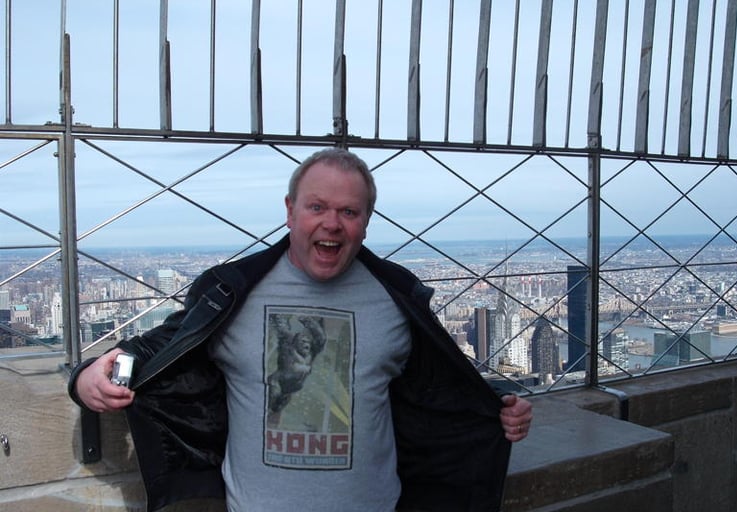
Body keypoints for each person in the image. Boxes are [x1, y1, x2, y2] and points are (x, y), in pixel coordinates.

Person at [69, 148, 533, 512]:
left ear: (366, 223)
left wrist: (498, 405)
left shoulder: (396, 298)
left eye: (349, 212)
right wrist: (86, 377)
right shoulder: (231, 292)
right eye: (317, 207)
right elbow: (162, 349)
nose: (332, 223)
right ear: (290, 211)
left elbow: (439, 385)